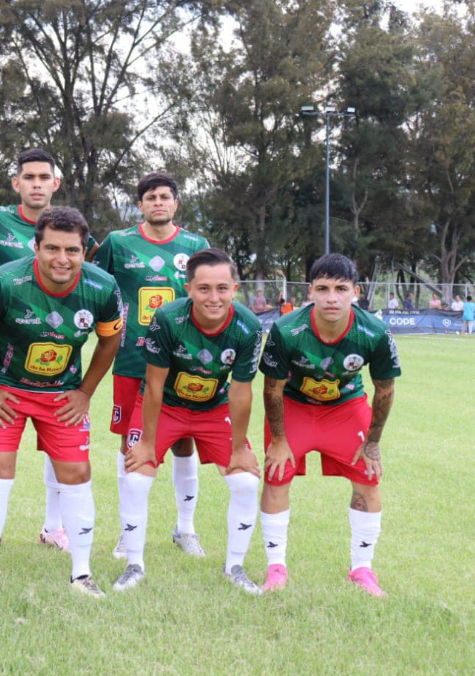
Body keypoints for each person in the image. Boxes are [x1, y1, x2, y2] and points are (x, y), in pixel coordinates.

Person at [0, 207, 122, 604]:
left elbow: (109, 342)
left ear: (85, 250)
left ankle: (82, 574)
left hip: (62, 394)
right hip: (7, 390)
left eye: (72, 250)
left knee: (77, 473)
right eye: (51, 247)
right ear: (35, 246)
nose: (61, 258)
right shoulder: (3, 282)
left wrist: (85, 392)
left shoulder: (103, 287)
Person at [0, 148, 99, 552]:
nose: (37, 183)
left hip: (58, 353)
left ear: (55, 184)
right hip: (8, 346)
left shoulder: (69, 228)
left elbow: (89, 266)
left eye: (45, 177)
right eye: (30, 177)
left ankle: (54, 524)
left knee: (59, 448)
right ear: (17, 183)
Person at [114, 249, 263, 594]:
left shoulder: (249, 327)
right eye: (204, 288)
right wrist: (148, 443)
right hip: (165, 404)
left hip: (213, 408)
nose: (214, 297)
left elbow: (241, 392)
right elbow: (153, 384)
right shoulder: (167, 318)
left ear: (235, 288)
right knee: (136, 478)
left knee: (245, 483)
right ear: (188, 288)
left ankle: (235, 567)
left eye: (222, 288)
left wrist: (239, 448)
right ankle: (134, 564)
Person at [259, 253, 401, 596]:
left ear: (357, 291)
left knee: (369, 477)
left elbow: (385, 389)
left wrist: (373, 441)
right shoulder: (287, 329)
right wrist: (278, 440)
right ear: (311, 292)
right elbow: (272, 388)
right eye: (323, 288)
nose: (332, 297)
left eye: (341, 288)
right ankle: (276, 567)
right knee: (277, 474)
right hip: (295, 405)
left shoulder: (375, 332)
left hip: (346, 407)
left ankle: (362, 570)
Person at [93, 171, 211, 560]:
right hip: (131, 359)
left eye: (165, 196)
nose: (158, 202)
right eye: (150, 197)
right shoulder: (117, 243)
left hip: (183, 362)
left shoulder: (195, 245)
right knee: (130, 443)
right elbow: (96, 284)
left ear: (176, 203)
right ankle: (129, 532)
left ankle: (186, 528)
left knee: (184, 440)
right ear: (139, 204)